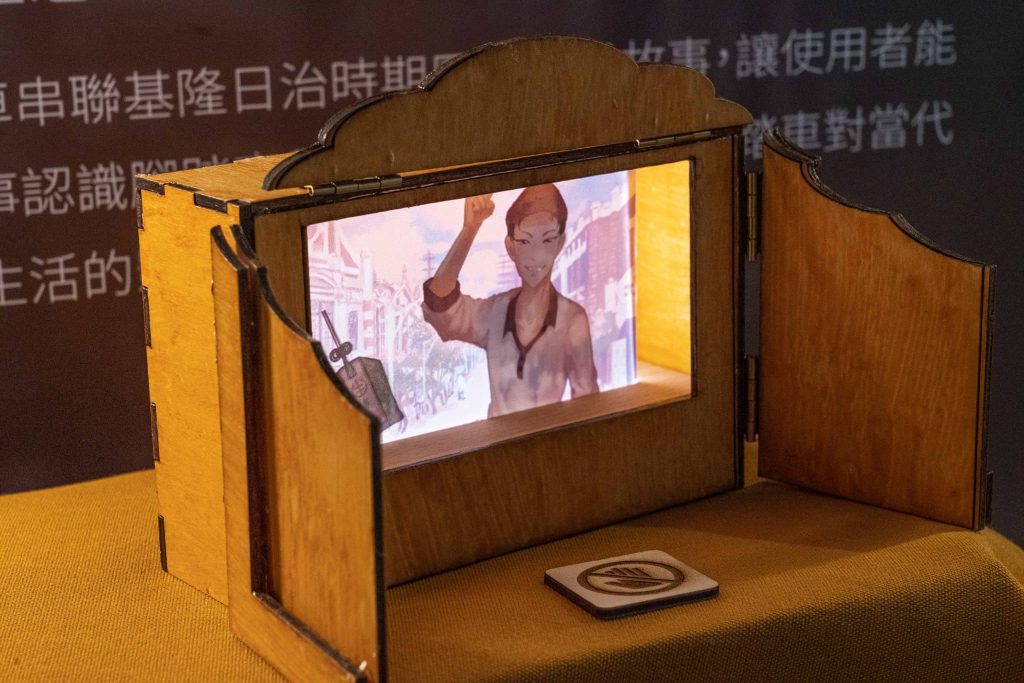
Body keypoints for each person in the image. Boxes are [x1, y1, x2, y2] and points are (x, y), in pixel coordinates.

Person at [422, 183, 599, 418]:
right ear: (510, 247)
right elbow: (440, 304)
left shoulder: (573, 319)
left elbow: (587, 402)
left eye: (547, 240)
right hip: (497, 438)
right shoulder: (494, 312)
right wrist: (470, 229)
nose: (535, 255)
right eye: (525, 241)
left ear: (560, 243)